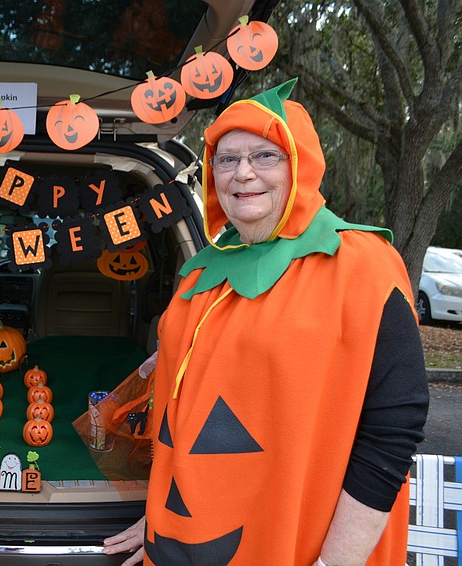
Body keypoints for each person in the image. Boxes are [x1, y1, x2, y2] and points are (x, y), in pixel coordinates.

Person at [103, 79, 429, 565]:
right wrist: (162, 515)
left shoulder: (362, 265)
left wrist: (334, 563)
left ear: (300, 163)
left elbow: (393, 428)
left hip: (298, 542)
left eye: (265, 156)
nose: (243, 173)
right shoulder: (201, 273)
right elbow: (184, 413)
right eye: (228, 159)